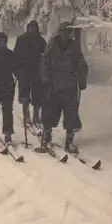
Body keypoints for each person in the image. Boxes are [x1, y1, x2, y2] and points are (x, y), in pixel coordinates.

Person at [40, 21, 85, 153]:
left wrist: (82, 80)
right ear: (59, 32)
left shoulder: (74, 46)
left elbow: (81, 64)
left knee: (71, 112)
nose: (65, 34)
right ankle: (47, 136)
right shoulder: (52, 44)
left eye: (67, 32)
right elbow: (44, 62)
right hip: (54, 84)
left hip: (70, 84)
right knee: (50, 110)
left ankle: (69, 140)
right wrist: (45, 77)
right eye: (63, 31)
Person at [14, 20, 46, 126]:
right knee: (24, 95)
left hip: (36, 71)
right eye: (31, 28)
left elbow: (45, 54)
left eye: (34, 28)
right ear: (27, 28)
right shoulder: (21, 39)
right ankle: (26, 115)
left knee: (38, 95)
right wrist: (16, 70)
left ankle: (36, 116)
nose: (33, 30)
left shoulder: (40, 40)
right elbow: (16, 55)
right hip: (24, 71)